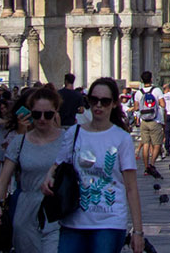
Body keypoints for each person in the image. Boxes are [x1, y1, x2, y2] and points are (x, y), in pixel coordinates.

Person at [52, 77, 146, 253]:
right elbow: (56, 167)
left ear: (114, 104)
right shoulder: (74, 133)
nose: (98, 106)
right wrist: (47, 179)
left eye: (105, 101)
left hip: (109, 222)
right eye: (94, 100)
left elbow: (131, 187)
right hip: (74, 220)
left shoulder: (122, 138)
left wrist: (138, 231)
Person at [0, 86, 64, 253]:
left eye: (48, 114)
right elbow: (3, 177)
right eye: (37, 114)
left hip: (56, 210)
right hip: (26, 210)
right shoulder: (19, 142)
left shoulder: (67, 139)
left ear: (56, 112)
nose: (42, 119)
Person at [133, 75, 163, 171]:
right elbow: (163, 104)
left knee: (145, 144)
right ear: (151, 79)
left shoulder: (138, 93)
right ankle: (152, 163)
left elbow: (136, 107)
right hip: (155, 120)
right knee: (157, 144)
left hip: (144, 122)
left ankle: (146, 167)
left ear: (141, 80)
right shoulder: (157, 90)